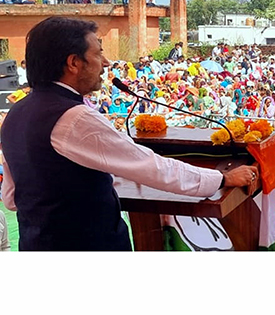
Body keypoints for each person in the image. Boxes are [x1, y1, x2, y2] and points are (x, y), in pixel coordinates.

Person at [0, 17, 256, 251]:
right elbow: (153, 167)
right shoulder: (75, 118)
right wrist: (221, 179)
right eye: (98, 54)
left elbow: (12, 199)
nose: (107, 63)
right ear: (74, 63)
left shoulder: (16, 114)